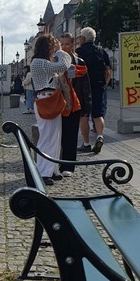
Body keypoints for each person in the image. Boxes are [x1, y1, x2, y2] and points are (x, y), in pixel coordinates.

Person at [30, 33, 71, 185]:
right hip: (46, 99)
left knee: (55, 137)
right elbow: (63, 65)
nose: (54, 48)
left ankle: (52, 169)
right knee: (47, 137)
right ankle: (43, 172)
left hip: (50, 99)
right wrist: (61, 52)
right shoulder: (39, 62)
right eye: (53, 45)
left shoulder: (41, 62)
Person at [58, 33, 90, 177]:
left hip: (74, 102)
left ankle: (68, 165)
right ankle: (56, 163)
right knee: (59, 135)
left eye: (67, 44)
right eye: (62, 44)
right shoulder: (55, 61)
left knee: (71, 134)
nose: (64, 47)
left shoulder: (79, 62)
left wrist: (86, 105)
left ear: (73, 45)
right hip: (59, 102)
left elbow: (85, 85)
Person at [76, 26, 111, 154]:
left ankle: (86, 144)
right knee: (98, 114)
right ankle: (100, 136)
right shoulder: (102, 51)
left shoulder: (79, 52)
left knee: (84, 115)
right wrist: (104, 85)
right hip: (99, 86)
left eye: (80, 37)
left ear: (83, 38)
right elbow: (108, 71)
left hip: (84, 87)